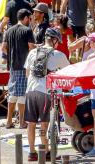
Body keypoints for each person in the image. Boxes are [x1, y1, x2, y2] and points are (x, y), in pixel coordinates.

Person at [24, 28, 69, 161]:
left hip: (30, 91)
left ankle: (32, 153)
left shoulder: (33, 52)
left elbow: (27, 74)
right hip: (45, 92)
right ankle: (45, 151)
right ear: (54, 40)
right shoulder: (58, 55)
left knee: (31, 123)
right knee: (44, 123)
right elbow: (68, 73)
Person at [3, 8, 35, 129]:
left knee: (12, 93)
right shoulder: (27, 31)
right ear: (26, 18)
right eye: (29, 18)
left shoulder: (9, 31)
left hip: (12, 66)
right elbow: (31, 47)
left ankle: (8, 121)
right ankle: (22, 122)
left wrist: (12, 55)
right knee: (22, 94)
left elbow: (4, 48)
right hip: (24, 66)